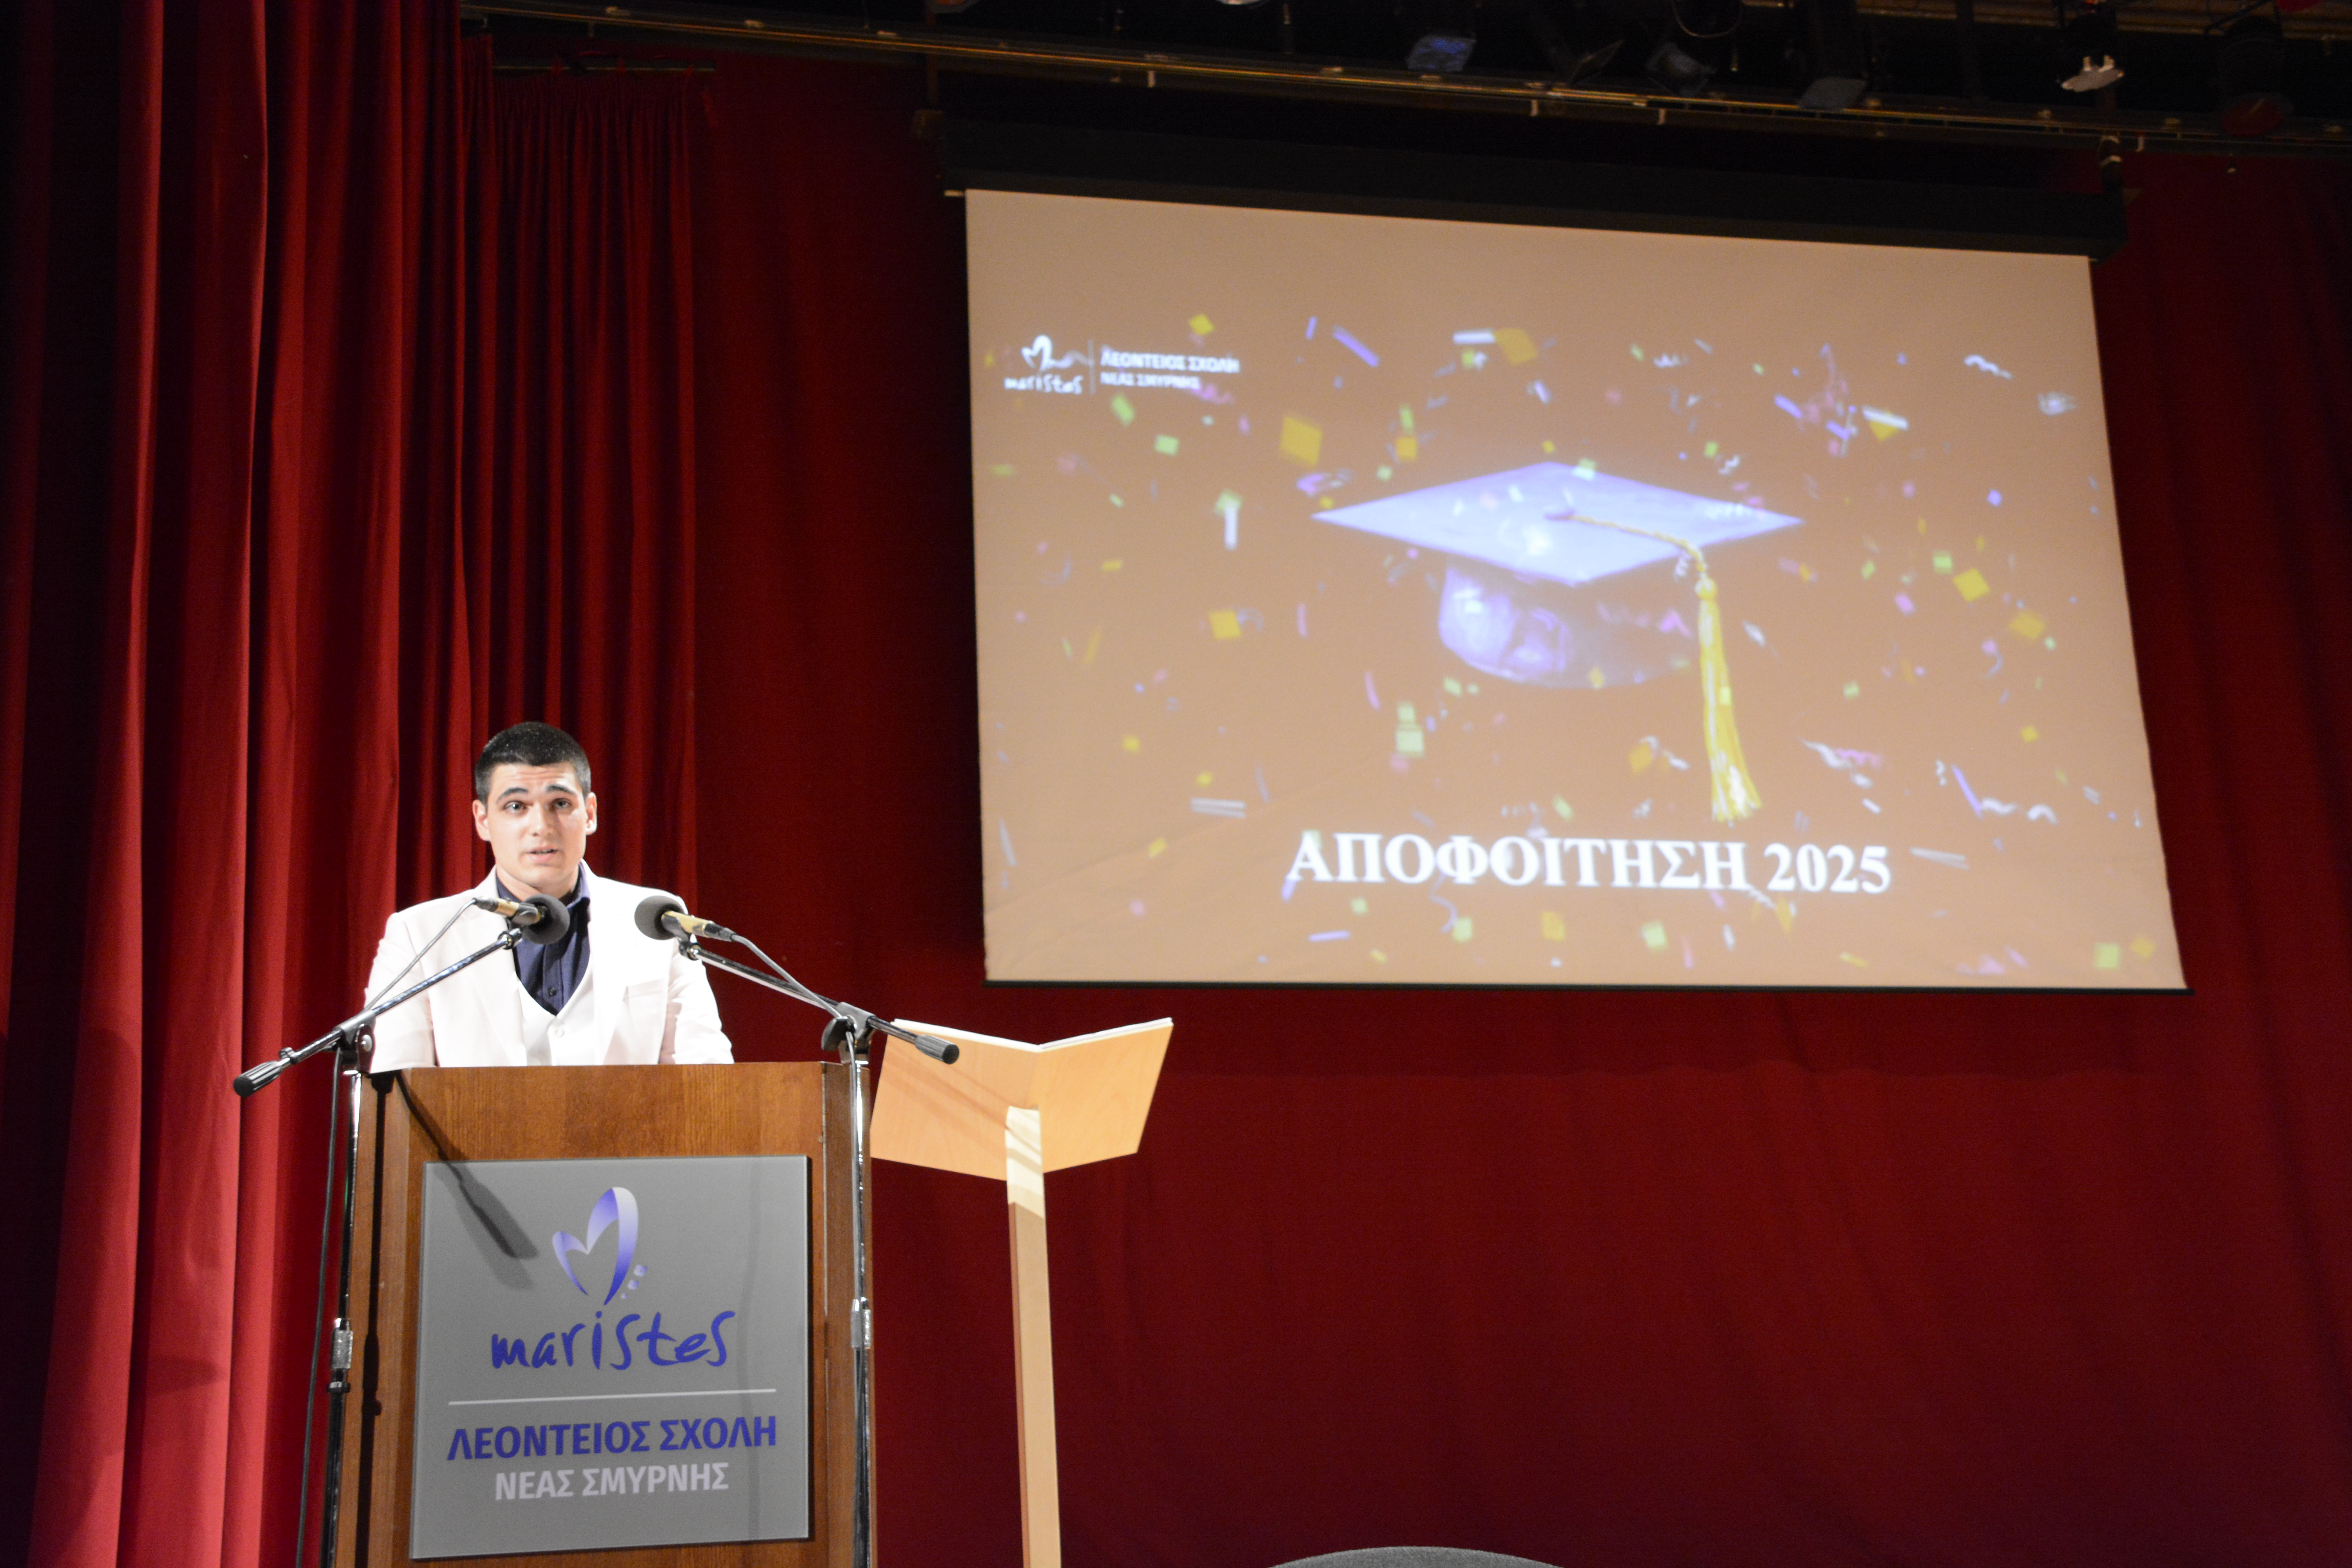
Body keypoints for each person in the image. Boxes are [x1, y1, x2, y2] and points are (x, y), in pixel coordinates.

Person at [363, 722, 732, 1070]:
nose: (541, 826)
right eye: (516, 807)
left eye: (560, 803)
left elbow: (705, 1073)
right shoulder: (421, 934)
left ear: (589, 814)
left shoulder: (656, 920)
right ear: (483, 820)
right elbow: (394, 1085)